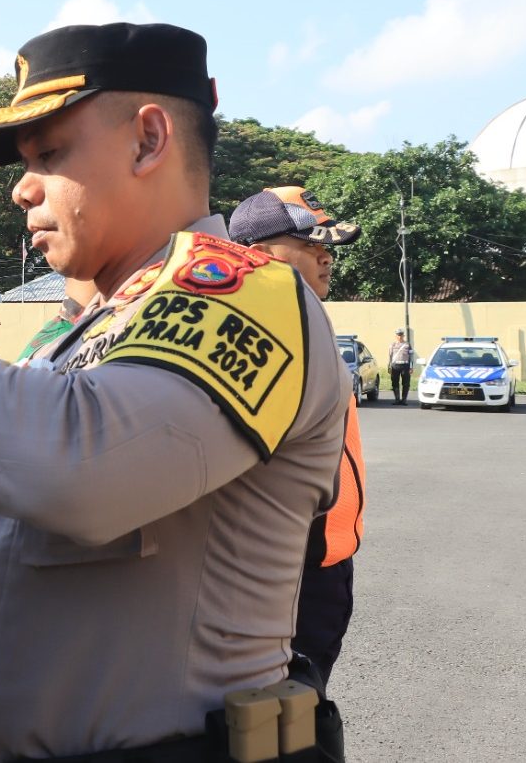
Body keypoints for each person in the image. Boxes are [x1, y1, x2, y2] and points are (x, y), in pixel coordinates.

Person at [0, 22, 349, 760]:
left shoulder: (240, 290)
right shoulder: (91, 327)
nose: (22, 187)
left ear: (149, 140)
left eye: (49, 154)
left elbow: (80, 469)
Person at [229, 185, 367, 686]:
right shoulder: (255, 336)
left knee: (297, 717)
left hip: (325, 560)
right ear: (258, 253)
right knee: (275, 724)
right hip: (284, 573)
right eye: (311, 245)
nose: (326, 256)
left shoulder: (304, 325)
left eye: (327, 246)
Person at [388, 328, 413, 405]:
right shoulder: (392, 345)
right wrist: (389, 366)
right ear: (396, 336)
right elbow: (390, 356)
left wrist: (411, 367)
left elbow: (411, 356)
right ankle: (397, 399)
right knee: (395, 383)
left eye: (401, 335)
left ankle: (404, 400)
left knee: (406, 383)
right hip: (395, 366)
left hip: (405, 366)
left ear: (403, 335)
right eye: (398, 335)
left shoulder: (408, 345)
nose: (400, 337)